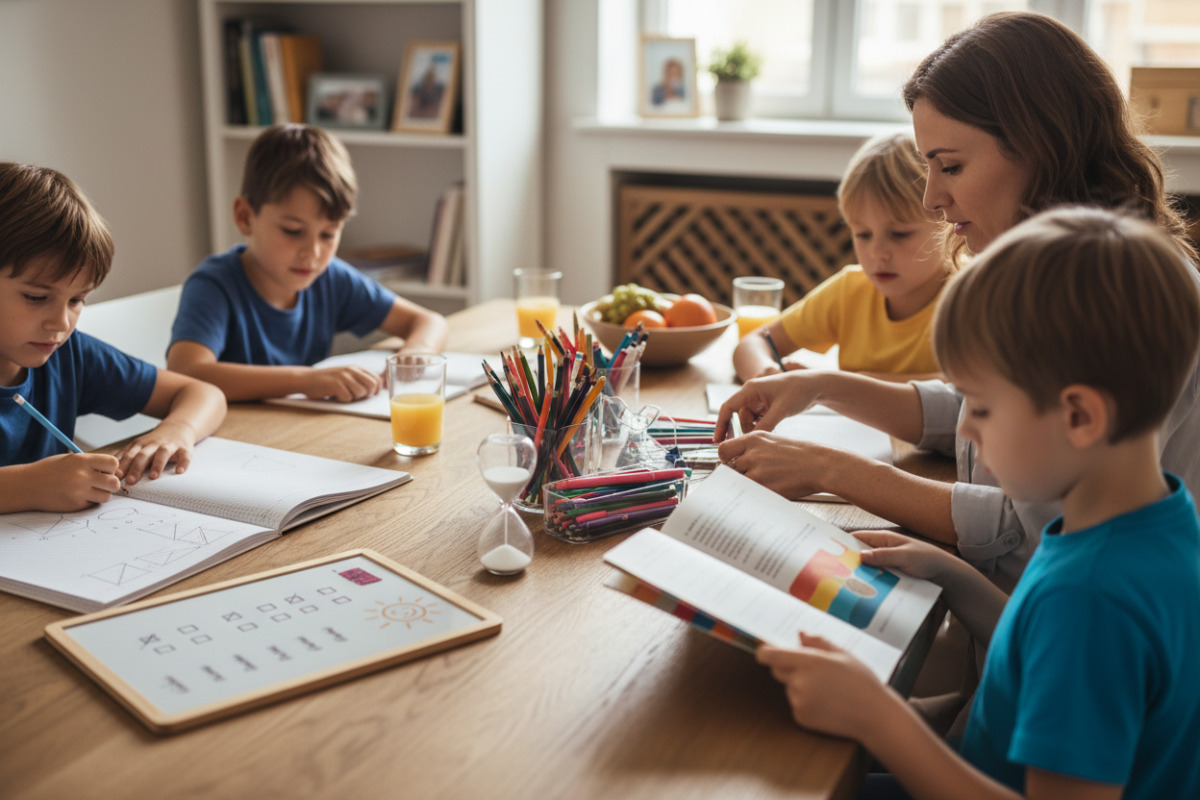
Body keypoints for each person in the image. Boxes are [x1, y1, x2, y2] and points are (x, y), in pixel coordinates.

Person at [715, 11, 1200, 587]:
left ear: (1041, 147)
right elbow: (982, 409)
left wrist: (829, 469)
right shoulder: (1053, 264)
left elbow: (1032, 528)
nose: (930, 199)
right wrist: (822, 386)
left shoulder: (1116, 297)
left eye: (950, 166)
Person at [758, 206, 1200, 800]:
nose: (965, 432)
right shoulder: (1152, 520)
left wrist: (879, 720)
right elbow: (1037, 645)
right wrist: (953, 575)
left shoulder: (1091, 598)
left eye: (982, 409)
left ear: (1079, 416)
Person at [0, 163, 227, 513]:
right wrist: (27, 487)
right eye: (36, 297)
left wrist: (177, 430)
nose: (61, 322)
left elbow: (204, 394)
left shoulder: (68, 354)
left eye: (76, 300)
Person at [167, 124, 449, 403]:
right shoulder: (215, 286)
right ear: (244, 217)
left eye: (328, 234)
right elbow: (186, 372)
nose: (312, 253)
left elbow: (429, 321)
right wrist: (304, 380)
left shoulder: (330, 277)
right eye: (292, 231)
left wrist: (418, 352)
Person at [733, 132, 952, 382]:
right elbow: (752, 343)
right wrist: (769, 375)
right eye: (863, 234)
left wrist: (841, 385)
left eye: (899, 234)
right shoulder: (850, 291)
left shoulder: (969, 296)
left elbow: (965, 389)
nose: (876, 252)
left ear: (947, 223)